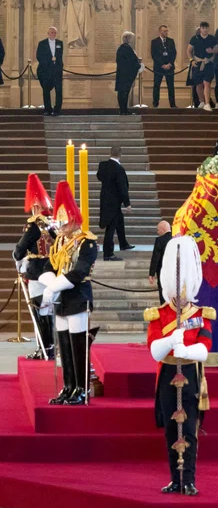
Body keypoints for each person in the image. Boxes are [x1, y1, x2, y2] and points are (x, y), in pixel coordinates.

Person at [144, 236, 214, 496]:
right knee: (172, 429)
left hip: (191, 374)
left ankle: (190, 480)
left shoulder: (201, 314)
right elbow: (153, 350)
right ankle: (175, 478)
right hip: (167, 374)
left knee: (191, 429)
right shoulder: (159, 314)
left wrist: (187, 349)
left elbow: (205, 348)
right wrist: (168, 343)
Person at [38, 182, 98, 406]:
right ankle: (69, 385)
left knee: (78, 345)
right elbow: (49, 267)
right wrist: (50, 284)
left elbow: (80, 271)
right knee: (64, 345)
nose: (60, 227)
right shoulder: (60, 242)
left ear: (73, 219)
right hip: (62, 299)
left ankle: (81, 388)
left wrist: (54, 287)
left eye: (64, 222)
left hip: (78, 297)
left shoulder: (87, 242)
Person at [14, 174, 56, 361]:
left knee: (39, 312)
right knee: (48, 312)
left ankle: (44, 348)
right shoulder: (51, 225)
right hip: (51, 271)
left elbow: (20, 249)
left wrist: (18, 258)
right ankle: (49, 347)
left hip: (36, 272)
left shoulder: (32, 226)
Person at [97, 146, 133, 261]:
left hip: (105, 201)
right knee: (111, 228)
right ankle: (108, 253)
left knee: (119, 221)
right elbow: (123, 188)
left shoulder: (103, 165)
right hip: (114, 203)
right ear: (120, 154)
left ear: (110, 153)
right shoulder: (119, 169)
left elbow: (99, 176)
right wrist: (127, 204)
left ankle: (123, 243)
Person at [188, 21, 218, 110]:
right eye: (203, 28)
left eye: (206, 28)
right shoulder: (195, 38)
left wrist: (212, 51)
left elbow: (217, 50)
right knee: (198, 84)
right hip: (197, 63)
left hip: (208, 63)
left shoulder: (212, 38)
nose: (205, 30)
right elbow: (189, 50)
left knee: (207, 83)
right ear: (200, 29)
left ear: (208, 29)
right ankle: (201, 101)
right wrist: (191, 60)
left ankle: (207, 103)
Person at [36, 26, 64, 116]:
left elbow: (60, 56)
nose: (53, 34)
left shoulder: (60, 43)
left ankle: (57, 110)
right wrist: (50, 61)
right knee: (46, 91)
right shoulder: (42, 43)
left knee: (59, 90)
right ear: (48, 33)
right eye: (52, 32)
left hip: (57, 71)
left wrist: (58, 65)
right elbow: (39, 56)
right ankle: (47, 109)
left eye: (55, 32)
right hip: (46, 71)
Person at [115, 31, 142, 115]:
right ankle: (124, 110)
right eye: (131, 38)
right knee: (124, 92)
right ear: (127, 38)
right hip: (126, 75)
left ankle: (123, 109)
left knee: (122, 92)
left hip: (121, 74)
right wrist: (138, 64)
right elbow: (133, 61)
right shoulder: (127, 48)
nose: (133, 40)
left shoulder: (120, 48)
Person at [150, 24, 177, 108]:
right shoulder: (154, 42)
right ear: (160, 31)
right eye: (164, 31)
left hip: (169, 67)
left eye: (167, 31)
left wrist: (170, 64)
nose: (166, 32)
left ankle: (172, 104)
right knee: (156, 85)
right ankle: (155, 104)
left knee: (171, 86)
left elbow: (174, 53)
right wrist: (162, 64)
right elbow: (154, 55)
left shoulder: (171, 41)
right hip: (159, 67)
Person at [148, 220, 172, 305]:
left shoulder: (160, 240)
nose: (158, 232)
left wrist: (151, 274)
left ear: (163, 229)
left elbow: (156, 258)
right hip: (175, 274)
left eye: (158, 230)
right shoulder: (176, 239)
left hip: (163, 273)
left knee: (163, 297)